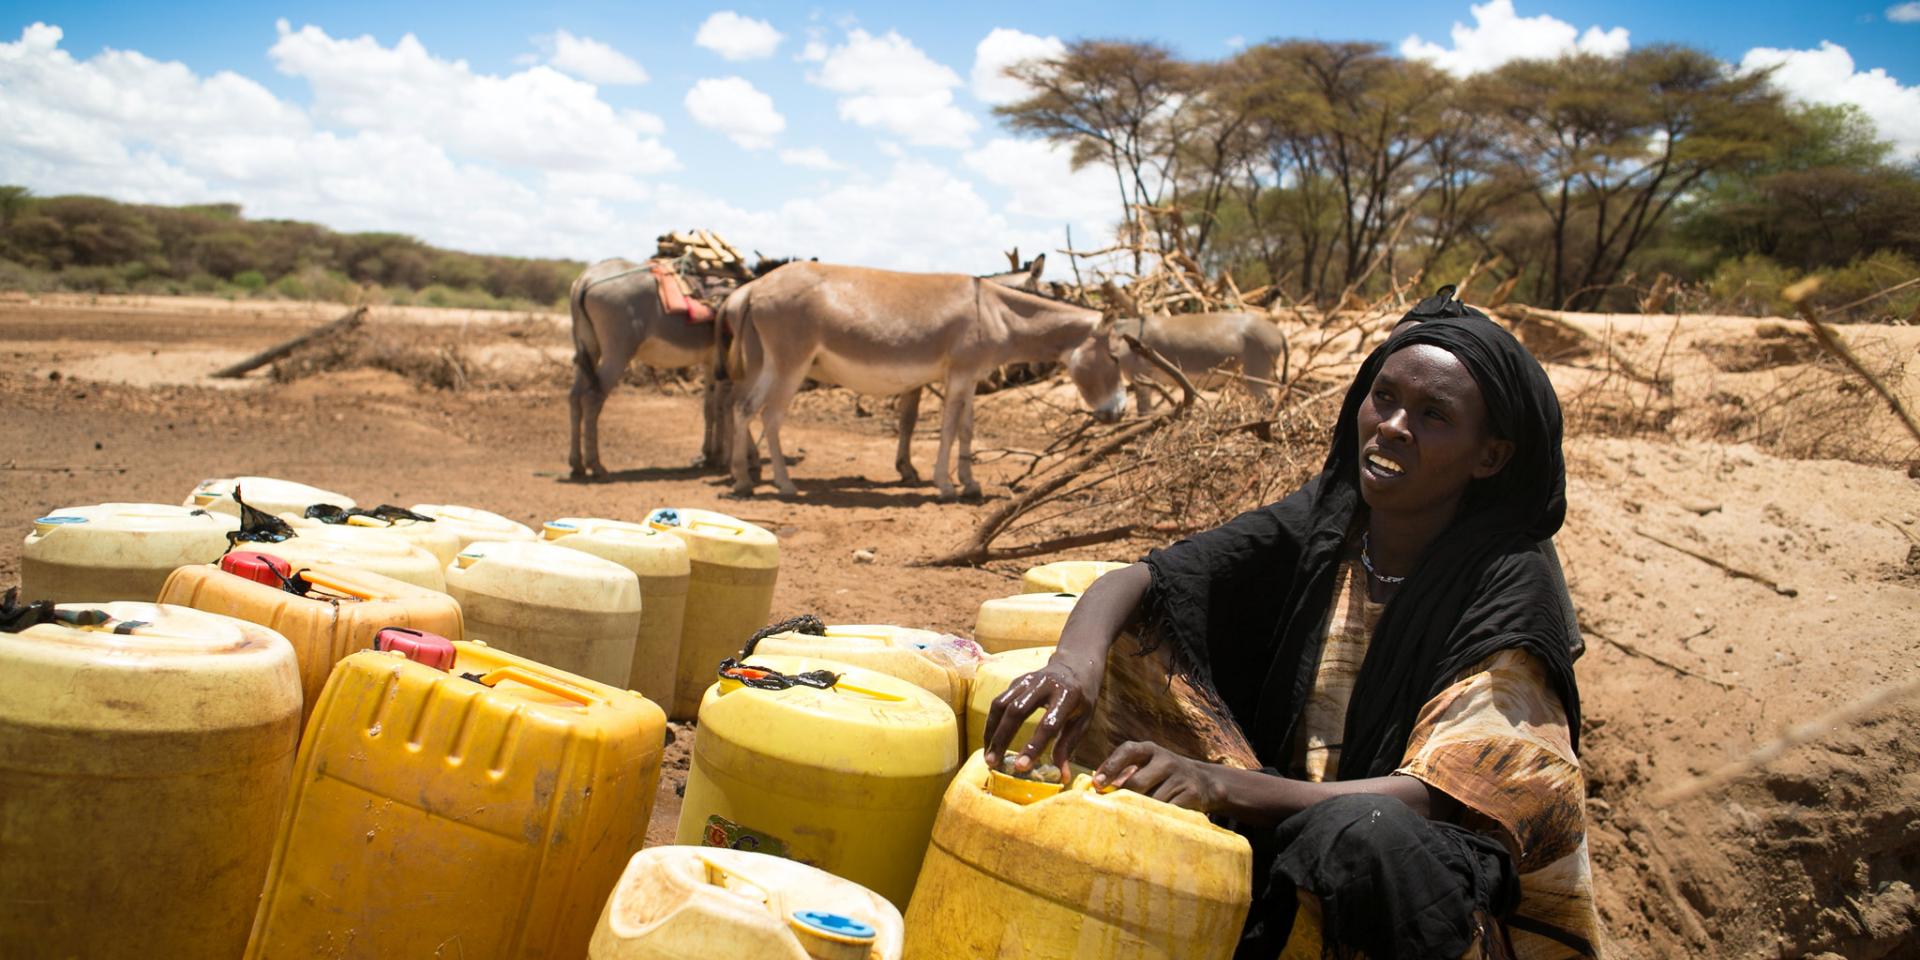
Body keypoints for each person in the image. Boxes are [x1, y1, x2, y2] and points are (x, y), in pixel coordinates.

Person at [983, 291, 1600, 960]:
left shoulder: (1510, 581)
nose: (1392, 425)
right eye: (1383, 397)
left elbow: (1444, 796)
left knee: (1366, 835)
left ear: (1490, 456)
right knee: (1131, 648)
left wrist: (1219, 783)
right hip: (1296, 823)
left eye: (1433, 416)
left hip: (1427, 892)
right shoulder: (1332, 521)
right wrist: (1072, 666)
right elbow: (1144, 580)